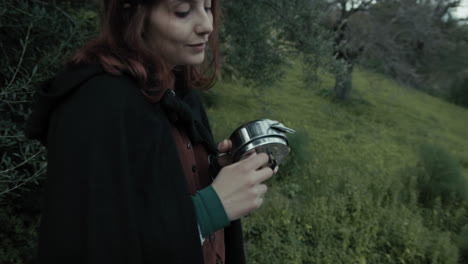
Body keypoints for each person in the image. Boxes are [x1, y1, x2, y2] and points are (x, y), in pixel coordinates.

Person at [25, 0, 277, 263]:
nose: (207, 25)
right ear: (133, 12)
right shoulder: (95, 106)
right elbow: (90, 242)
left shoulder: (179, 92)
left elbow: (157, 184)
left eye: (207, 6)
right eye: (183, 11)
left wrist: (215, 167)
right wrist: (209, 210)